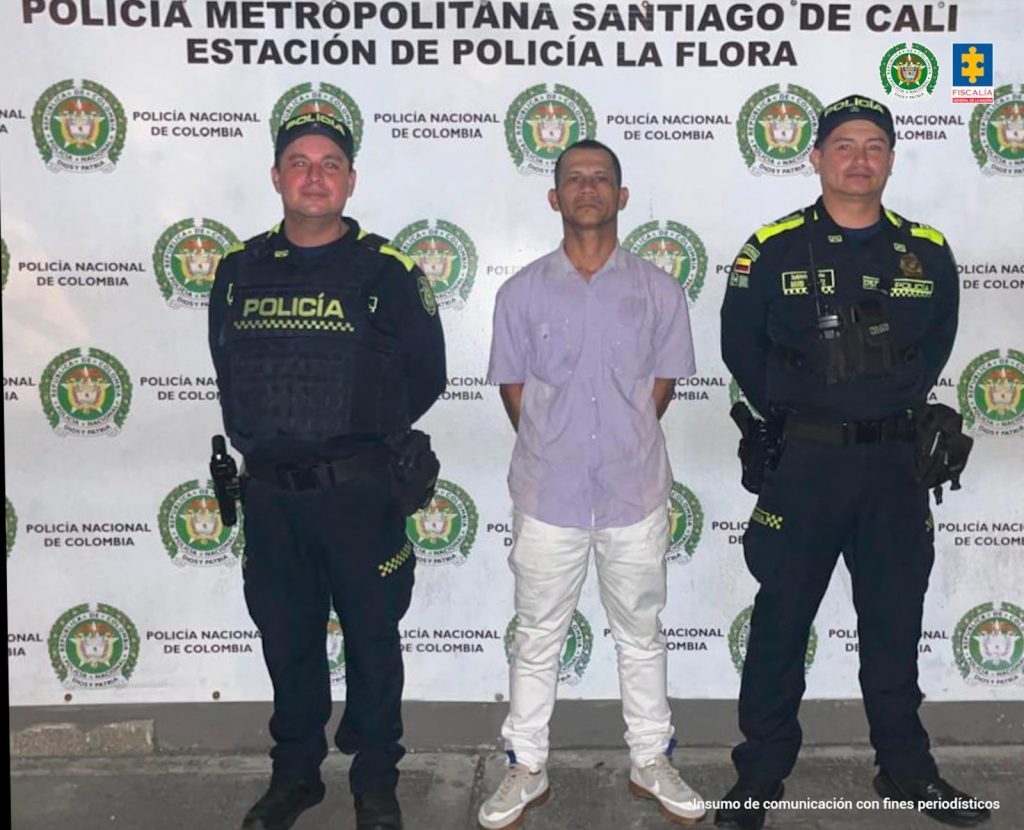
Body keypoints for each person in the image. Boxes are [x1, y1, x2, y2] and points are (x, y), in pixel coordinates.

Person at [716, 95, 989, 830]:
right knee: (780, 624)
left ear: (891, 160)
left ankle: (906, 770)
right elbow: (740, 348)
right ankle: (761, 775)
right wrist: (798, 414)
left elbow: (933, 346)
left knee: (895, 624)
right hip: (803, 466)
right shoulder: (770, 248)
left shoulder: (925, 251)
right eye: (843, 145)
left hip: (894, 470)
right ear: (816, 159)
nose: (859, 158)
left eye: (874, 145)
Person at [207, 111, 446, 830]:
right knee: (288, 640)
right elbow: (228, 368)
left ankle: (376, 779)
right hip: (272, 500)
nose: (315, 175)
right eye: (300, 163)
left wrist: (354, 439)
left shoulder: (388, 271)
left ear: (350, 180)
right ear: (277, 178)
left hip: (359, 497)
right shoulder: (238, 270)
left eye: (331, 163)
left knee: (375, 640)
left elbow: (425, 376)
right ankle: (296, 775)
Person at [481, 139, 706, 829]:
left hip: (633, 493)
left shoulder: (659, 291)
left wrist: (618, 441)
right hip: (548, 495)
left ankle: (650, 759)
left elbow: (661, 386)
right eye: (574, 179)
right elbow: (514, 390)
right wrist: (561, 447)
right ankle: (525, 766)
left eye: (601, 178)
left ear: (622, 195)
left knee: (640, 631)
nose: (587, 189)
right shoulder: (519, 294)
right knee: (537, 635)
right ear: (554, 197)